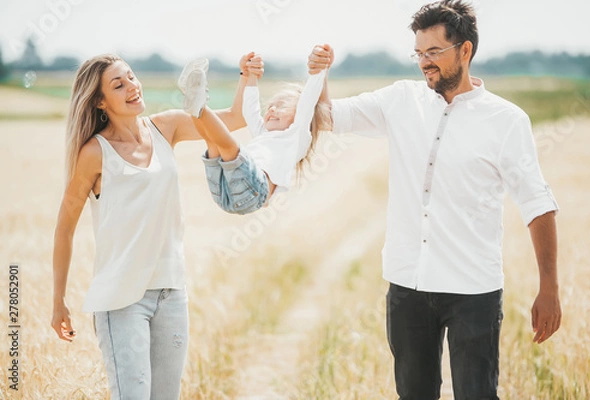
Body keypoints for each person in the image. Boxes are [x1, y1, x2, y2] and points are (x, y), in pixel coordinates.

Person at [307, 2, 561, 399]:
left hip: (473, 289)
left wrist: (549, 289)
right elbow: (326, 116)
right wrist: (319, 74)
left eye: (434, 53)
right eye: (419, 53)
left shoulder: (507, 121)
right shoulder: (400, 101)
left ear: (465, 51)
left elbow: (537, 205)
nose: (424, 63)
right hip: (408, 284)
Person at [50, 52, 262, 399]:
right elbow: (64, 227)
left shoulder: (166, 127)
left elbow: (235, 119)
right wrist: (58, 300)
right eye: (119, 85)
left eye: (131, 77)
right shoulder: (94, 153)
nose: (132, 87)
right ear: (101, 102)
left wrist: (247, 75)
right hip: (121, 301)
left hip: (171, 293)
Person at [180, 50, 331, 215]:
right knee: (212, 144)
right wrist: (250, 76)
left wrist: (319, 70)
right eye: (271, 105)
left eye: (281, 106)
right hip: (224, 193)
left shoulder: (296, 135)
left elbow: (308, 101)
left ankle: (200, 104)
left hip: (254, 191)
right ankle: (193, 100)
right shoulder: (263, 134)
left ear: (299, 116)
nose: (272, 109)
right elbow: (250, 110)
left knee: (230, 149)